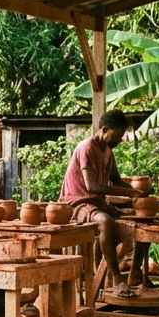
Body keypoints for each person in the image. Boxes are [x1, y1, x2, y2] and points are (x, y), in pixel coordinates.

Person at [60, 109, 150, 296]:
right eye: (117, 136)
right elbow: (92, 186)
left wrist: (139, 192)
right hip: (77, 203)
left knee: (144, 222)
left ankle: (134, 273)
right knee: (105, 222)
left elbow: (115, 179)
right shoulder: (87, 147)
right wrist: (129, 192)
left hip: (97, 203)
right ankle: (117, 279)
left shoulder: (108, 150)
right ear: (104, 129)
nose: (119, 141)